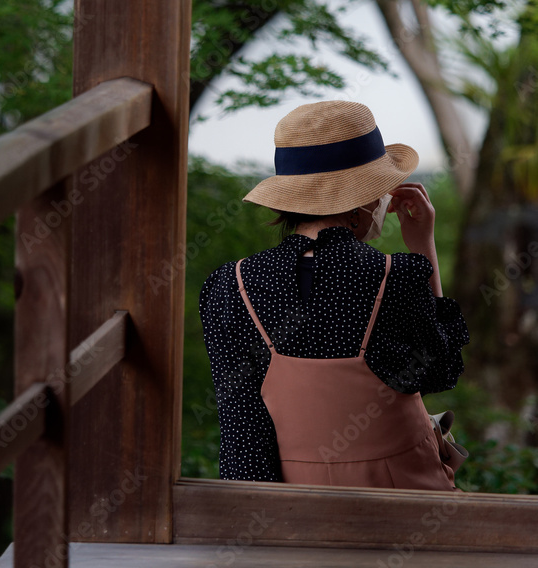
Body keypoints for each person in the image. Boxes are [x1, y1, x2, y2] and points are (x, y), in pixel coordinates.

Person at [199, 100, 469, 490]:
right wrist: (422, 248)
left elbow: (243, 433)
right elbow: (438, 371)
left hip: (296, 507)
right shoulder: (395, 276)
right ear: (362, 202)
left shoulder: (230, 285)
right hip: (407, 502)